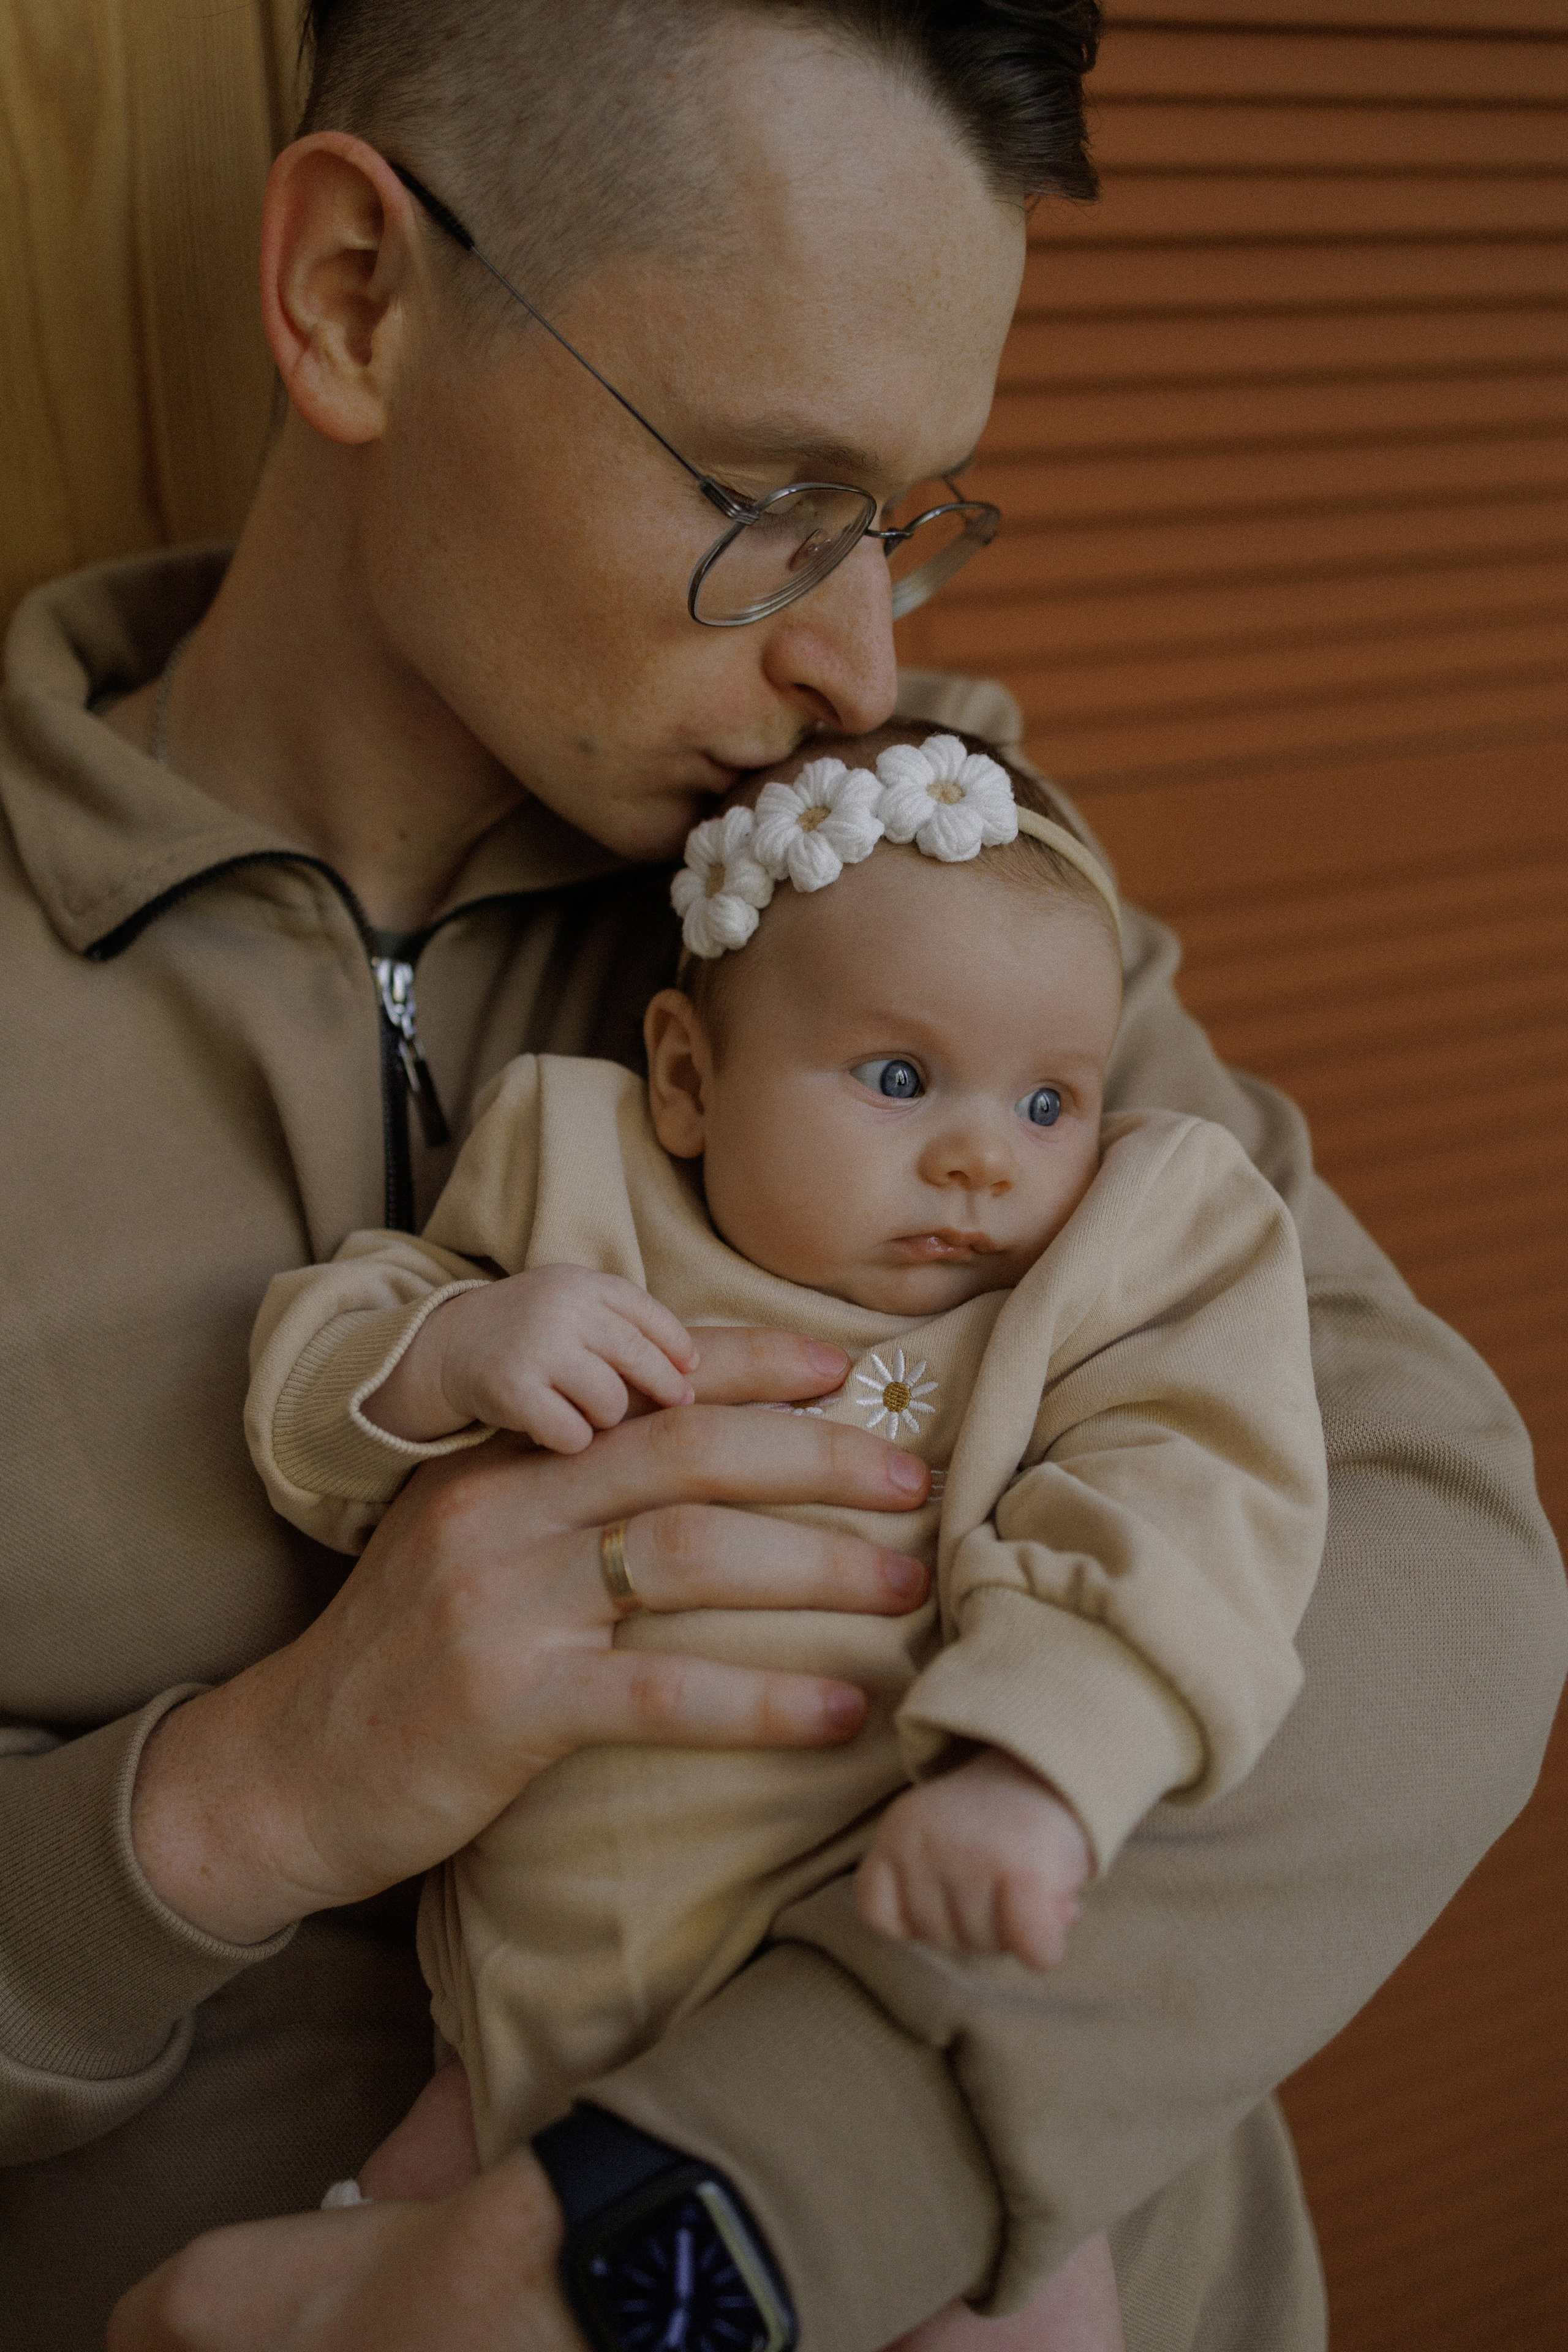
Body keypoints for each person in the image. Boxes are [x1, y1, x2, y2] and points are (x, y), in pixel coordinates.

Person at [0, 4, 1561, 2350]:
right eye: (767, 501)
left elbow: (1430, 1548)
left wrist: (701, 2226)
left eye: (912, 525)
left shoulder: (914, 885)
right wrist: (248, 1798)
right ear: (351, 297)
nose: (861, 666)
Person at [242, 720, 1329, 2352]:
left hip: (871, 1967)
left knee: (1012, 2309)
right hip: (542, 2015)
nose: (983, 1154)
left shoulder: (1099, 1271)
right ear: (686, 1077)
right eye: (899, 1079)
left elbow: (1195, 1509)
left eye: (1050, 1101)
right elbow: (308, 1389)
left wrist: (1037, 1773)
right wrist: (451, 1349)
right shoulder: (576, 1188)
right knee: (384, 2267)